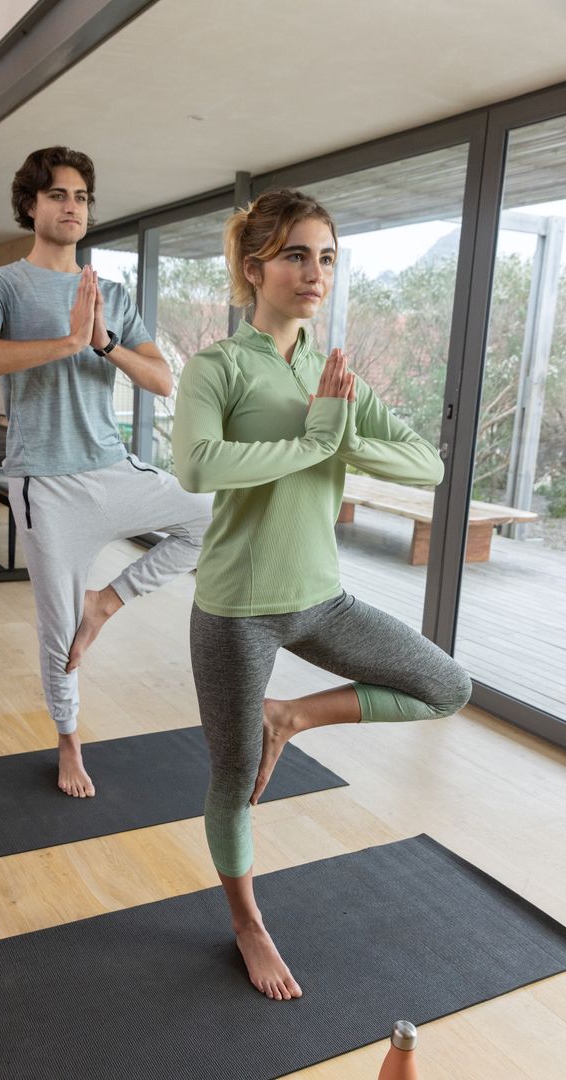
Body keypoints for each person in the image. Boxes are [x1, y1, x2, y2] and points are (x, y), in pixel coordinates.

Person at [171, 189, 472, 1001]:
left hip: (321, 599)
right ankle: (247, 924)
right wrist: (313, 439)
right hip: (236, 607)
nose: (316, 273)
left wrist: (339, 432)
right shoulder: (218, 367)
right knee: (234, 780)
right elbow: (197, 466)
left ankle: (291, 717)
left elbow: (427, 466)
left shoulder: (333, 375)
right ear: (254, 267)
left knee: (446, 687)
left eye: (328, 257)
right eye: (297, 255)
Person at [0, 146, 212, 798]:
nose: (72, 206)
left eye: (81, 197)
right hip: (45, 483)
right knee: (57, 632)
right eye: (58, 195)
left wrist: (103, 342)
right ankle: (69, 741)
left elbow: (162, 379)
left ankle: (107, 602)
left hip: (113, 467)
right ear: (30, 205)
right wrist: (68, 342)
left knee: (212, 519)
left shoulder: (113, 295)